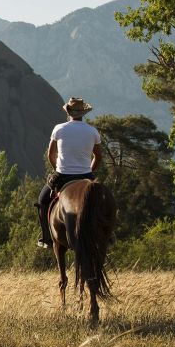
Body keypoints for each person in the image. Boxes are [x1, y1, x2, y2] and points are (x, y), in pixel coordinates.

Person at [36, 97, 103, 248]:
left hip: (63, 176)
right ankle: (108, 233)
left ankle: (46, 238)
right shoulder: (92, 131)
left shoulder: (59, 129)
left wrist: (57, 169)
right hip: (86, 176)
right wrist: (88, 171)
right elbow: (98, 156)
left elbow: (50, 155)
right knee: (102, 200)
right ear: (83, 113)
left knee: (42, 200)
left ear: (68, 112)